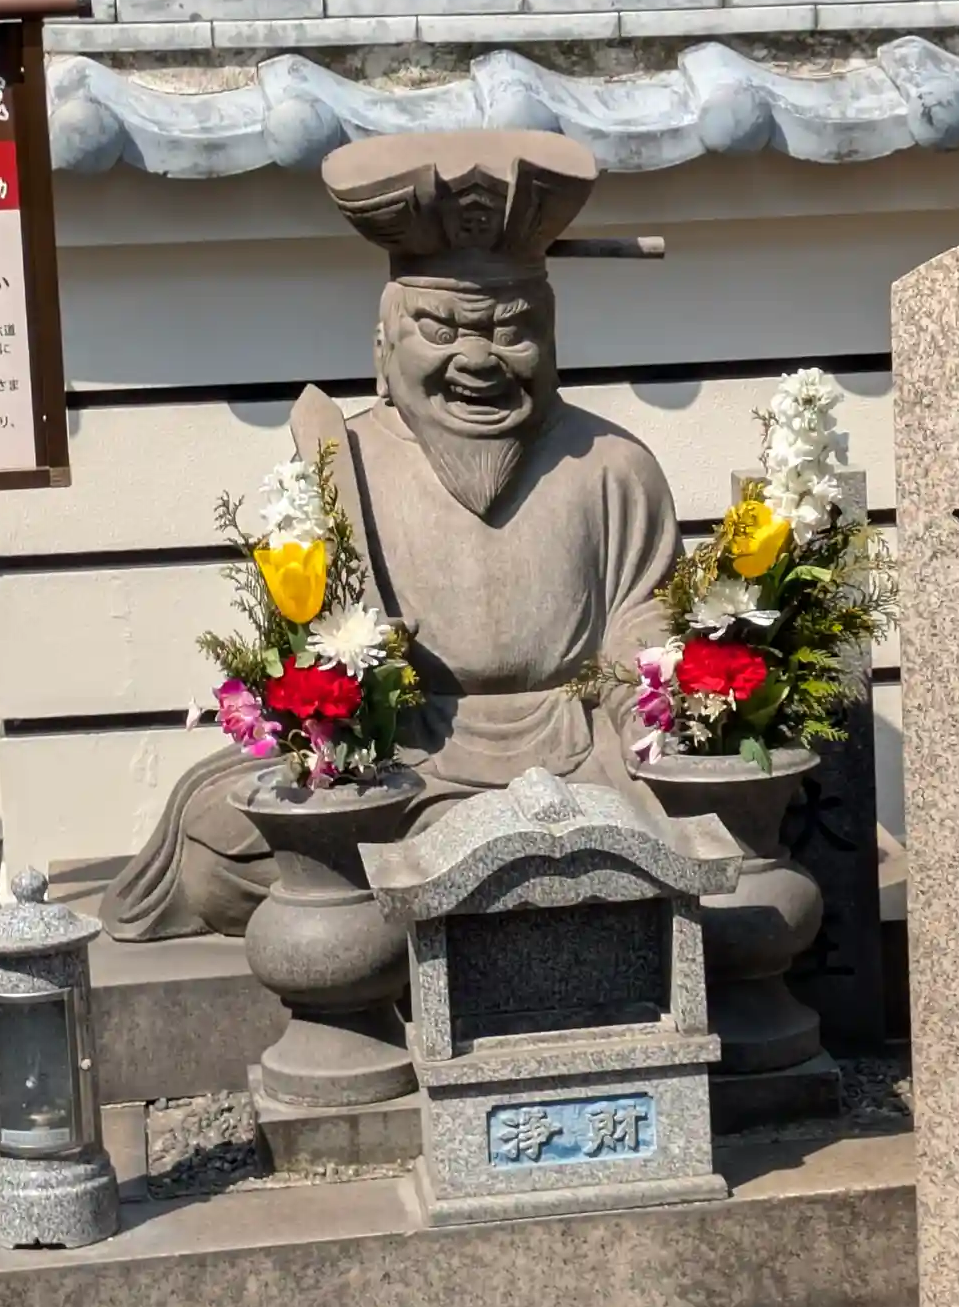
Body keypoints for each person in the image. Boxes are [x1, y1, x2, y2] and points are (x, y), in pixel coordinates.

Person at [102, 131, 680, 941]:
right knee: (215, 850)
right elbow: (315, 634)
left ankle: (451, 895)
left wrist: (662, 723)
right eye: (441, 330)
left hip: (578, 753)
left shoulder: (614, 466)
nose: (478, 360)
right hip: (403, 764)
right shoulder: (343, 461)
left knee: (692, 819)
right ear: (384, 347)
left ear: (553, 341)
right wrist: (341, 720)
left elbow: (642, 627)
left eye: (512, 330)